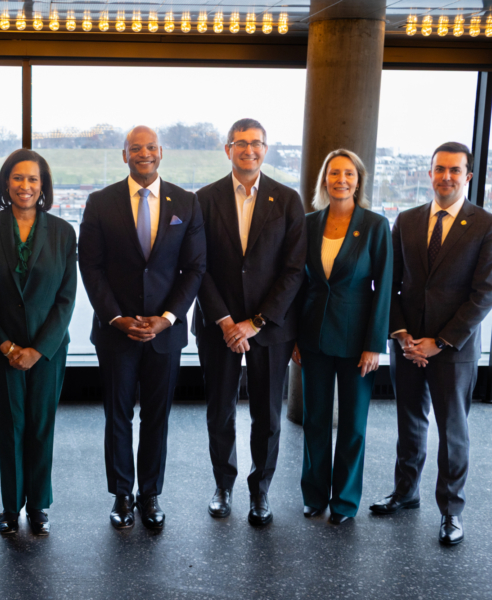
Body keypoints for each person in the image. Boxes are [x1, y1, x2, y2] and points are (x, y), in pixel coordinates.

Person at [370, 142, 492, 545]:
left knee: (452, 431)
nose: (446, 176)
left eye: (454, 170)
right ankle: (406, 492)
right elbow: (388, 283)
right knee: (409, 422)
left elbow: (484, 294)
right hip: (407, 345)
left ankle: (451, 510)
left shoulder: (486, 225)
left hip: (453, 350)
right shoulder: (406, 221)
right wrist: (402, 334)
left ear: (468, 176)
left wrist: (440, 342)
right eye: (439, 169)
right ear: (429, 173)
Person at [78, 126, 206, 530]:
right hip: (117, 330)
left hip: (165, 332)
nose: (144, 154)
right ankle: (121, 494)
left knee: (156, 416)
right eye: (136, 148)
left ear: (161, 152)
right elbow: (91, 265)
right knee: (117, 415)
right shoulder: (100, 202)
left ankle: (150, 494)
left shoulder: (186, 202)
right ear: (124, 155)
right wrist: (116, 317)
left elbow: (195, 267)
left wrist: (167, 318)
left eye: (150, 147)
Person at [193, 118, 306, 526]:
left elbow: (294, 270)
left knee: (268, 415)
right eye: (240, 143)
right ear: (227, 150)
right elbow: (197, 266)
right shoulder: (203, 199)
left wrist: (255, 322)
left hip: (270, 328)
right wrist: (225, 321)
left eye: (256, 143)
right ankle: (223, 486)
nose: (249, 150)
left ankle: (261, 491)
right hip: (217, 326)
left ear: (266, 149)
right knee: (220, 410)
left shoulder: (288, 200)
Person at [0, 149, 77, 536]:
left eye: (33, 179)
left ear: (43, 186)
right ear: (6, 183)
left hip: (47, 351)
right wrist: (4, 345)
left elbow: (67, 298)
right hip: (1, 348)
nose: (25, 186)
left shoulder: (64, 232)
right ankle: (10, 505)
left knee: (40, 426)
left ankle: (38, 505)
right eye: (18, 178)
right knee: (10, 426)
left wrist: (38, 348)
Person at [292, 149, 392, 525]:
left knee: (353, 424)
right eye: (334, 173)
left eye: (348, 174)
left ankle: (345, 501)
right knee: (315, 420)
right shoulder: (309, 223)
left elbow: (383, 288)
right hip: (313, 336)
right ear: (324, 180)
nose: (341, 180)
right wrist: (295, 339)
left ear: (358, 180)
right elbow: (299, 284)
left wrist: (374, 344)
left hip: (356, 343)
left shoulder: (375, 225)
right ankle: (314, 495)